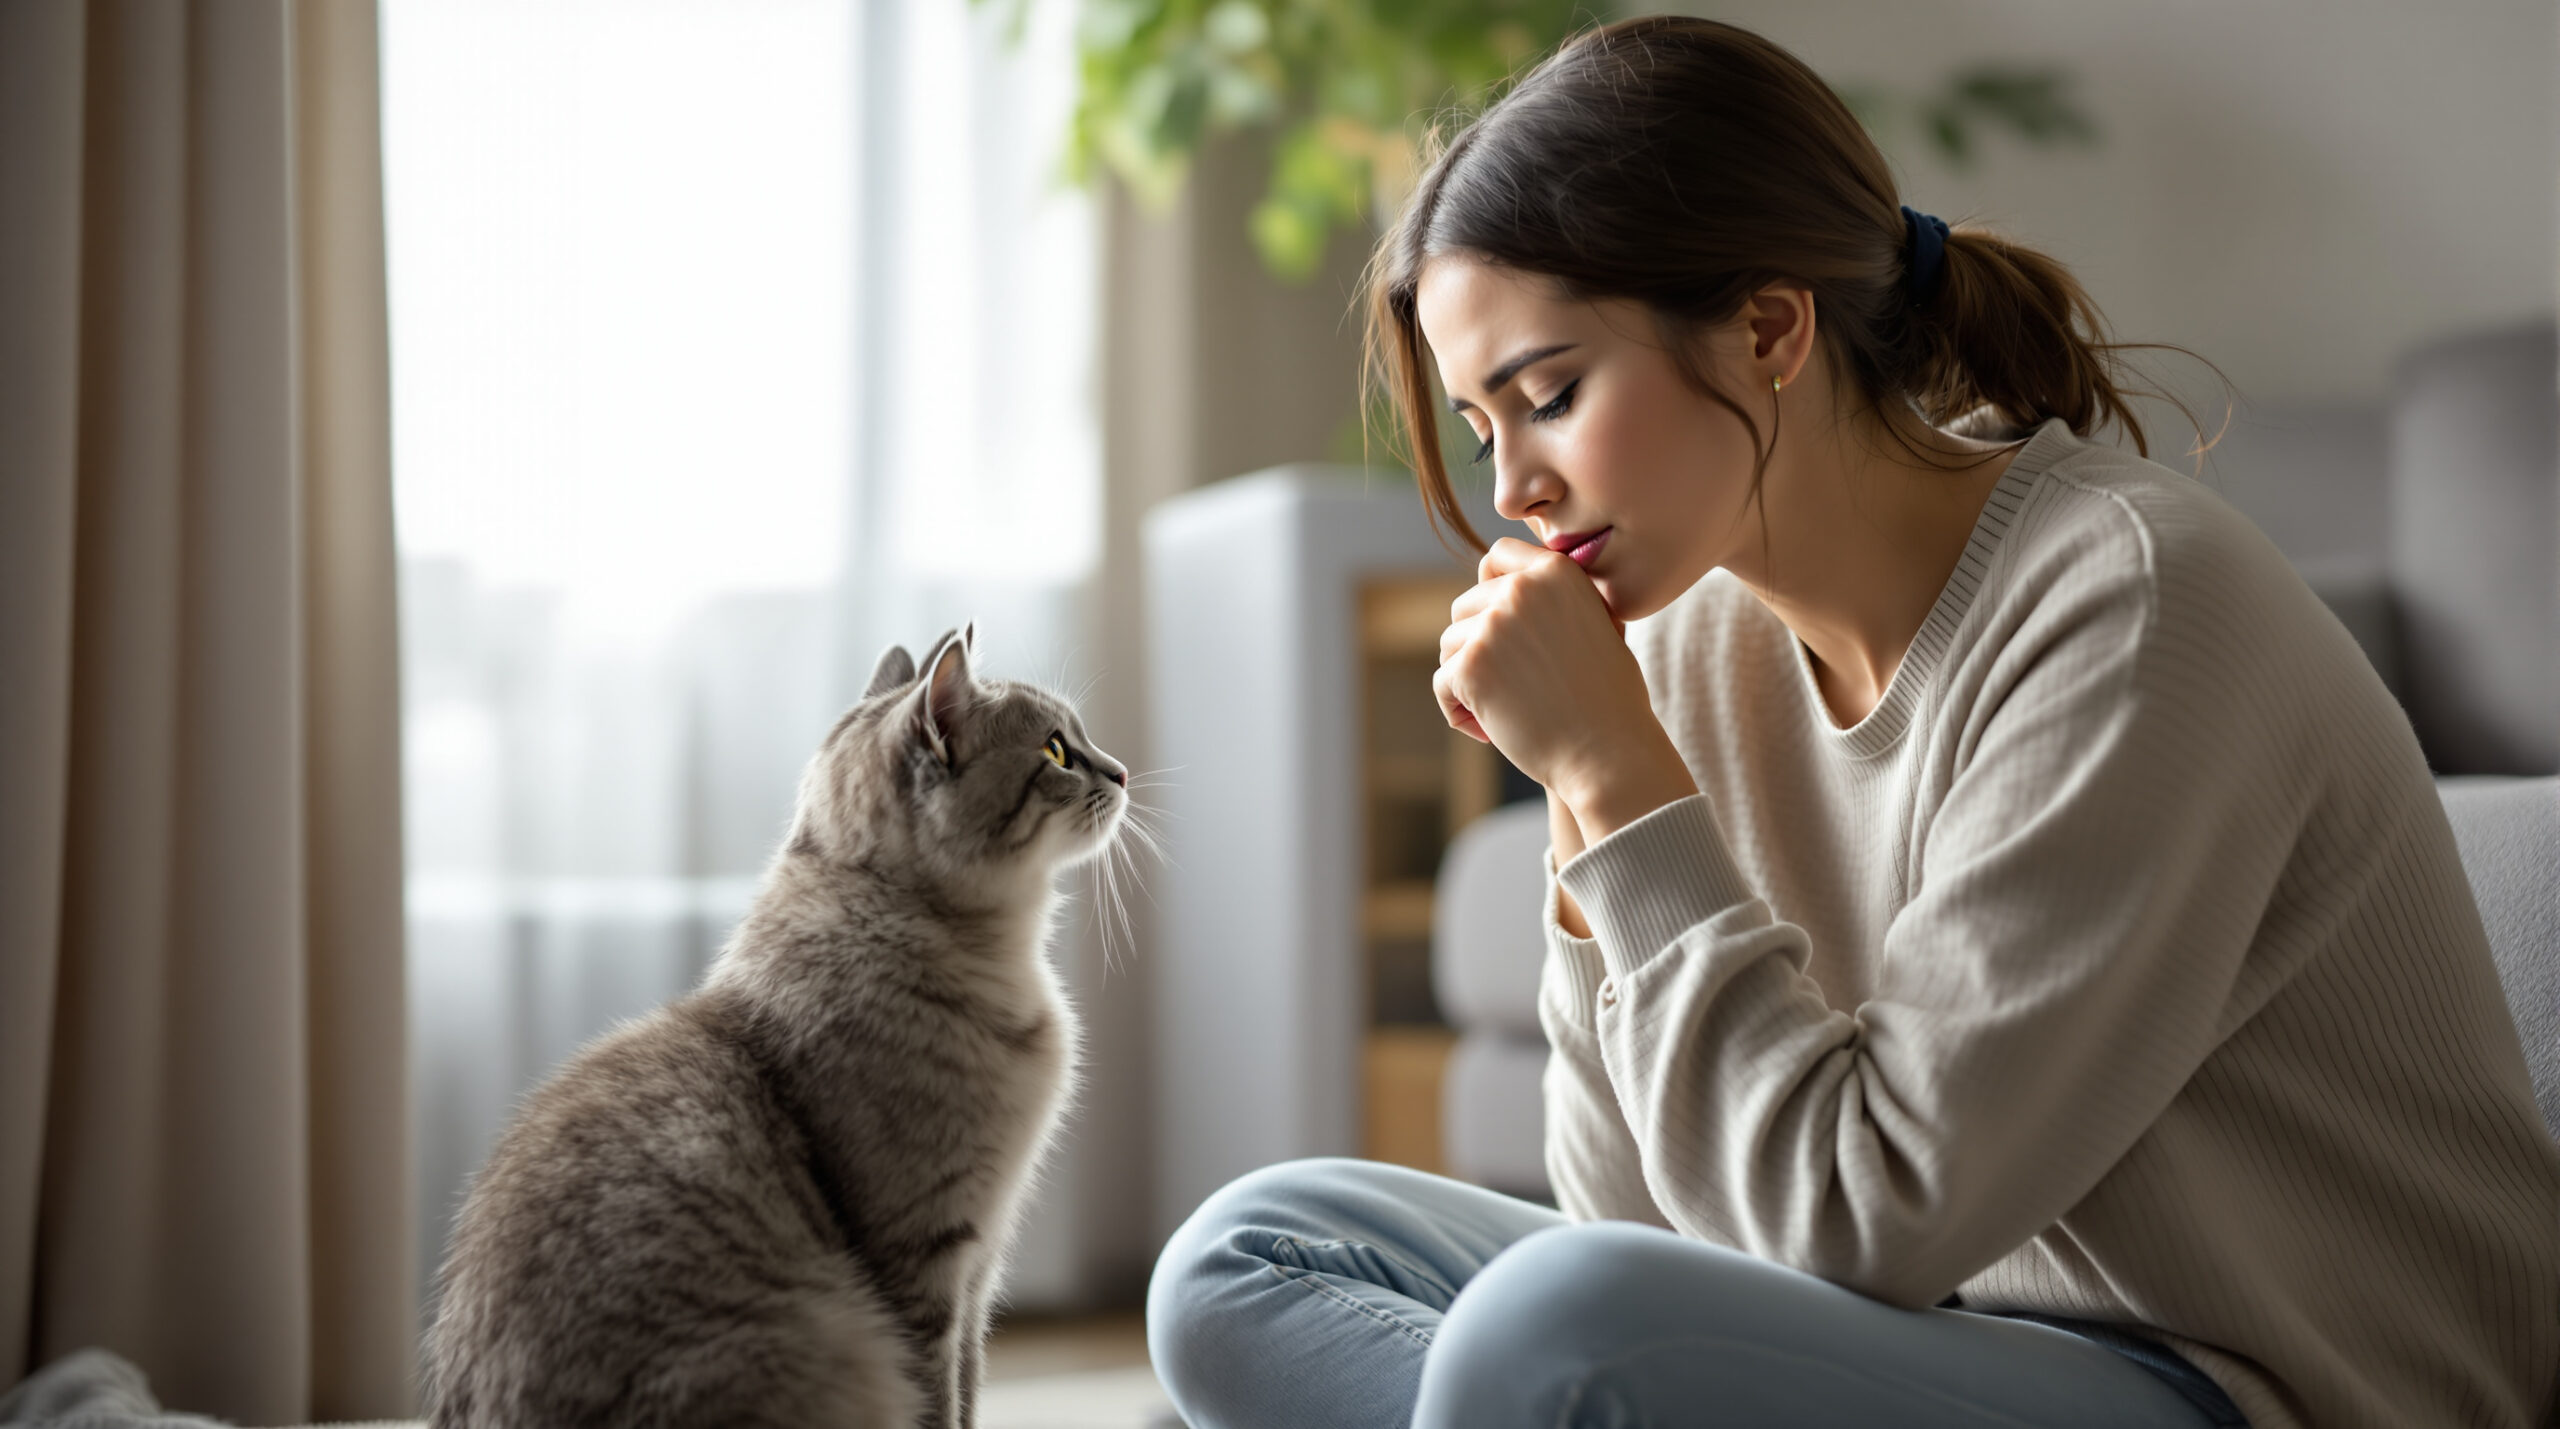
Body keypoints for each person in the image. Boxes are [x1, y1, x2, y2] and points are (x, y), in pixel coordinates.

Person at [1144, 15, 2560, 1429]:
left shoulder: (2126, 605)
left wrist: (1613, 770)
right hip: (1926, 1337)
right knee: (1249, 1257)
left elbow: (1866, 1217)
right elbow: (1631, 1215)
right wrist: (1583, 807)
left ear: (1769, 330)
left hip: (2243, 1380)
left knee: (1549, 1333)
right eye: (1482, 427)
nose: (1512, 486)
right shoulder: (1686, 641)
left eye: (1552, 395)